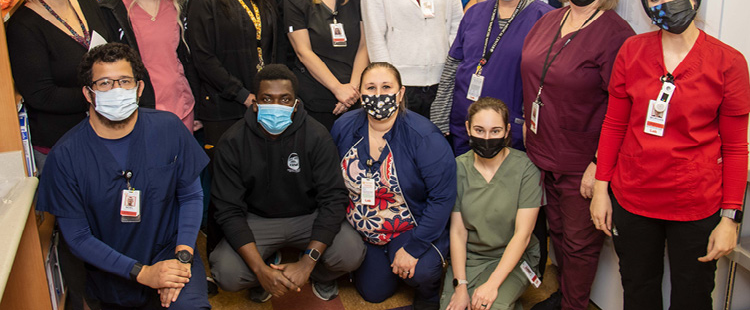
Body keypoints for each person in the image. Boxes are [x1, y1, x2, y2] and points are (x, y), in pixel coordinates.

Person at [590, 0, 750, 309]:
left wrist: (731, 218)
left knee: (692, 298)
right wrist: (602, 189)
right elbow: (614, 125)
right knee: (638, 291)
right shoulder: (632, 51)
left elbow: (736, 147)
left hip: (695, 206)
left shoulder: (728, 63)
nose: (667, 2)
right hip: (633, 199)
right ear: (647, 9)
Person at [35, 43, 209, 310]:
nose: (116, 90)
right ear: (88, 93)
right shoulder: (65, 157)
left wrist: (182, 260)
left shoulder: (168, 129)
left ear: (139, 88)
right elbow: (78, 237)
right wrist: (144, 273)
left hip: (171, 254)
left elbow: (191, 195)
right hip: (112, 273)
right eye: (104, 83)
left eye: (125, 81)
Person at [520, 0, 635, 310]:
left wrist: (598, 167)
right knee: (558, 234)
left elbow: (624, 110)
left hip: (582, 162)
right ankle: (564, 296)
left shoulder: (616, 35)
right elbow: (534, 74)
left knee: (581, 244)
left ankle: (574, 305)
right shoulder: (551, 18)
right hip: (544, 151)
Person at [209, 64, 365, 302]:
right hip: (257, 220)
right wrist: (261, 271)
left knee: (351, 253)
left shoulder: (317, 135)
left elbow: (333, 199)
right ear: (255, 103)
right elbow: (228, 210)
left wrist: (307, 263)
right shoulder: (232, 142)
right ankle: (268, 269)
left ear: (296, 104)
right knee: (226, 273)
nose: (276, 106)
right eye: (267, 99)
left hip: (308, 216)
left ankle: (319, 275)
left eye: (284, 99)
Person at [332, 62, 456, 310]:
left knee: (421, 272)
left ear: (400, 94)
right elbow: (330, 180)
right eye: (371, 87)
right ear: (361, 93)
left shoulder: (424, 137)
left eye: (386, 87)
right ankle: (381, 261)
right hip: (365, 229)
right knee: (373, 293)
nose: (378, 94)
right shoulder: (344, 126)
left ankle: (429, 295)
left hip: (410, 227)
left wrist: (413, 248)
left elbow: (442, 199)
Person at [430, 0, 553, 156]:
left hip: (510, 126)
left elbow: (547, 81)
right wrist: (440, 117)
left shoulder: (544, 18)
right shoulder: (475, 13)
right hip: (465, 120)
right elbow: (453, 66)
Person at [6, 0, 110, 172]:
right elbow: (40, 95)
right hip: (61, 143)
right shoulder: (24, 26)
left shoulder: (86, 3)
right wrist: (97, 96)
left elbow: (113, 52)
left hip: (104, 130)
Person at [440, 97, 542, 310]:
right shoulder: (458, 169)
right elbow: (458, 232)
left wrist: (492, 285)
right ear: (467, 128)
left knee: (489, 305)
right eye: (479, 130)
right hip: (471, 258)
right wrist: (461, 287)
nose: (486, 138)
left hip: (513, 257)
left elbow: (523, 235)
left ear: (506, 131)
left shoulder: (525, 170)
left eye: (495, 131)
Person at [186, 0, 277, 148]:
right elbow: (203, 58)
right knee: (230, 177)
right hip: (225, 106)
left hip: (267, 101)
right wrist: (243, 94)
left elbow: (276, 44)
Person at [100, 0, 196, 131]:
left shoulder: (177, 2)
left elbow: (188, 58)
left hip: (182, 107)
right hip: (139, 111)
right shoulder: (113, 10)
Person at [284, 0, 369, 130]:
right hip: (317, 96)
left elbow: (365, 46)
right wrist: (337, 89)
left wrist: (353, 90)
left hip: (355, 92)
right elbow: (303, 52)